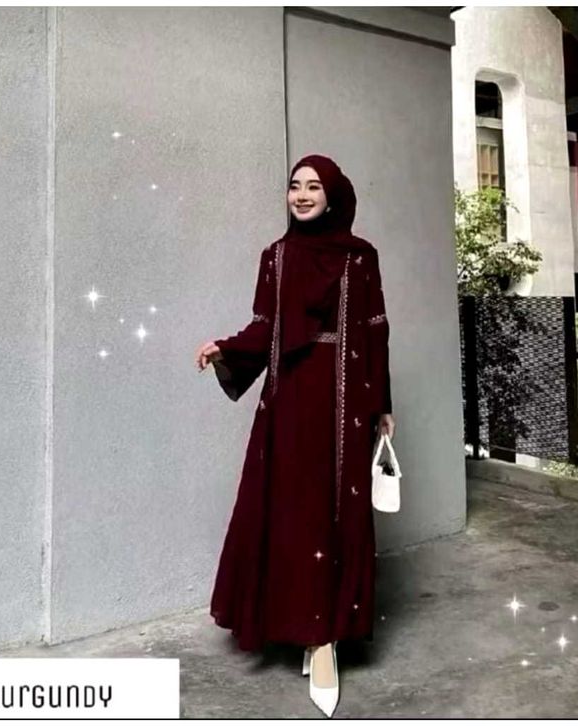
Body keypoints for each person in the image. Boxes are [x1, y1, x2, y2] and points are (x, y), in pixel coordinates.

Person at [195, 154, 395, 717]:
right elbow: (265, 328)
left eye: (313, 187)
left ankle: (325, 639)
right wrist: (225, 349)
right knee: (293, 517)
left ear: (332, 196)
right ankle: (307, 629)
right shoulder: (276, 258)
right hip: (288, 404)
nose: (302, 195)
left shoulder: (361, 257)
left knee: (335, 515)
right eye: (294, 186)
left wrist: (382, 405)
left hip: (344, 403)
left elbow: (375, 330)